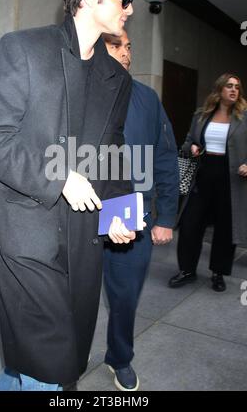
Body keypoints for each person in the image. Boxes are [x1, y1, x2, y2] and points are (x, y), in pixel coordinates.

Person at [0, 0, 139, 391]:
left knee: (52, 355)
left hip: (84, 233)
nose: (130, 9)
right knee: (53, 358)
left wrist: (119, 212)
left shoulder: (116, 78)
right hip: (26, 227)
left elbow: (112, 149)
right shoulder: (23, 48)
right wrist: (60, 176)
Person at [102, 31, 179, 391]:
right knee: (73, 298)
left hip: (133, 213)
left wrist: (165, 216)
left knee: (125, 295)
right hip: (80, 211)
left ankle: (119, 357)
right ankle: (64, 358)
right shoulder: (76, 94)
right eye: (116, 45)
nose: (126, 52)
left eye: (129, 46)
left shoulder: (147, 99)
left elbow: (164, 158)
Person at [169, 73, 247, 292]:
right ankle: (187, 270)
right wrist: (191, 147)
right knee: (190, 224)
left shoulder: (244, 117)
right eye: (229, 86)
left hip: (232, 179)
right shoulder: (201, 115)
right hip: (203, 176)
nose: (234, 90)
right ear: (220, 89)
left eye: (237, 87)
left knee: (225, 228)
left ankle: (218, 273)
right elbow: (187, 142)